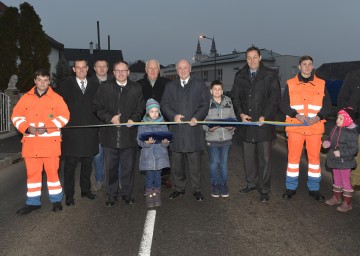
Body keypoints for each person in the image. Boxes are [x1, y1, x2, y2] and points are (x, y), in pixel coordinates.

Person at [12, 68, 70, 215]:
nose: (42, 83)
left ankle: (56, 201)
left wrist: (48, 127)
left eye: (45, 80)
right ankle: (32, 203)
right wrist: (25, 127)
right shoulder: (26, 98)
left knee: (52, 175)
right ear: (35, 81)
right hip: (31, 145)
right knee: (33, 176)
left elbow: (65, 116)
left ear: (49, 81)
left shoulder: (57, 98)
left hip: (51, 145)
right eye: (39, 80)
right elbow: (16, 116)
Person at [230, 46, 281, 203]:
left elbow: (275, 98)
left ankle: (264, 189)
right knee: (248, 158)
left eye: (254, 57)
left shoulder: (270, 75)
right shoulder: (240, 76)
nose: (251, 60)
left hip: (263, 124)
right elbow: (235, 97)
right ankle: (251, 183)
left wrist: (264, 116)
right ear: (246, 59)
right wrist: (241, 114)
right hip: (247, 124)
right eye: (248, 58)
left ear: (260, 58)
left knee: (265, 159)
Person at [280, 55, 332, 202]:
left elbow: (328, 106)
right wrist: (297, 115)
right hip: (295, 127)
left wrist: (318, 116)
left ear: (313, 66)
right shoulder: (290, 83)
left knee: (314, 161)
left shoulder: (321, 84)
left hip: (314, 129)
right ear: (299, 66)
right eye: (304, 64)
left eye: (310, 64)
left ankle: (314, 189)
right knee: (293, 160)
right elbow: (283, 105)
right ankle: (290, 188)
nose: (307, 67)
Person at [93, 60, 144, 207]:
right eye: (118, 71)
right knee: (111, 168)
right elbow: (96, 106)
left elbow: (140, 107)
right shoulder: (105, 87)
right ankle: (111, 194)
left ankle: (127, 193)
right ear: (113, 73)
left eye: (124, 70)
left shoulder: (136, 88)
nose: (121, 73)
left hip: (128, 135)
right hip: (109, 136)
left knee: (128, 168)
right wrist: (110, 118)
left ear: (128, 72)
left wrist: (134, 119)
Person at [161, 59, 210, 201]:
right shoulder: (170, 86)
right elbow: (164, 104)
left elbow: (205, 104)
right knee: (177, 164)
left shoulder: (199, 85)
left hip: (193, 131)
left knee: (195, 165)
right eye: (180, 68)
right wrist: (173, 115)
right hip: (176, 131)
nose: (183, 70)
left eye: (185, 68)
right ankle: (179, 188)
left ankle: (197, 190)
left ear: (190, 69)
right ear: (177, 70)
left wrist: (197, 117)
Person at [56, 59, 100, 206]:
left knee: (88, 163)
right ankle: (69, 194)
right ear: (73, 69)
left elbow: (99, 106)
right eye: (78, 67)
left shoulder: (95, 84)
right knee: (70, 166)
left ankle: (86, 190)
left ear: (88, 69)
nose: (81, 70)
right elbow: (58, 107)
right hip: (72, 133)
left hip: (89, 132)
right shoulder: (65, 85)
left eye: (83, 67)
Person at [137, 59, 172, 187]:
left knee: (163, 152)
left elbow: (171, 103)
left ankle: (163, 179)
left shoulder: (167, 84)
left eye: (155, 68)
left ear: (159, 70)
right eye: (150, 68)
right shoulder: (138, 84)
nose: (152, 71)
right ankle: (149, 182)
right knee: (147, 153)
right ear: (146, 70)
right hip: (144, 124)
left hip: (162, 123)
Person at [203, 80, 236, 198]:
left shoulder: (228, 101)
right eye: (215, 89)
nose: (217, 91)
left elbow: (233, 117)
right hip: (212, 139)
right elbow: (203, 120)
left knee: (223, 164)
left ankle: (223, 184)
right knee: (214, 163)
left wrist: (231, 127)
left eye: (219, 89)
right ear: (211, 91)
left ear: (222, 90)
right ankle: (215, 184)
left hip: (226, 139)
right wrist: (208, 129)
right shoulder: (206, 102)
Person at [322, 107, 358, 212]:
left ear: (347, 120)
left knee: (345, 181)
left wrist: (341, 153)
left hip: (345, 161)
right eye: (338, 117)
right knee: (336, 179)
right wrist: (327, 142)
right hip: (334, 160)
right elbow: (330, 138)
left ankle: (347, 202)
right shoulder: (335, 128)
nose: (337, 120)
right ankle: (336, 197)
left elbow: (354, 149)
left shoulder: (351, 133)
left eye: (341, 118)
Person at [137, 98, 171, 207]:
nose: (155, 114)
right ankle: (149, 197)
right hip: (148, 157)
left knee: (158, 177)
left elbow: (166, 139)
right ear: (147, 112)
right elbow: (139, 140)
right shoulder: (142, 124)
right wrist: (146, 143)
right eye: (152, 111)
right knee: (149, 177)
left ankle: (157, 195)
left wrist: (165, 142)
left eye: (157, 111)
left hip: (160, 155)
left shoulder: (163, 124)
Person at [337, 69, 360, 191]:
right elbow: (343, 98)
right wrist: (346, 117)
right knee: (354, 150)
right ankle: (355, 180)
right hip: (354, 121)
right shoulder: (353, 75)